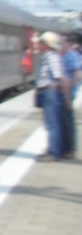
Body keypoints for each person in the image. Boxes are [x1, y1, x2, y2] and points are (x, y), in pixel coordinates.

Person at [34, 31, 74, 161]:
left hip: (50, 92)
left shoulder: (51, 57)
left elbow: (60, 77)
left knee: (53, 123)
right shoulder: (49, 56)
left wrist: (66, 97)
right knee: (50, 123)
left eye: (41, 42)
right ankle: (53, 149)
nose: (38, 44)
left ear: (46, 45)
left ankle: (53, 152)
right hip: (48, 92)